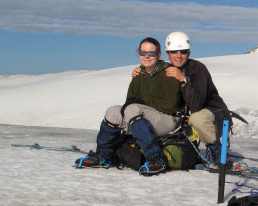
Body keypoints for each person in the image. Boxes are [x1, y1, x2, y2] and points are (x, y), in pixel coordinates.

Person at [75, 37, 181, 175]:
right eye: (143, 53)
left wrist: (141, 102)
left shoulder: (169, 72)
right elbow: (130, 100)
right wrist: (137, 105)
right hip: (143, 118)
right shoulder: (138, 75)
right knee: (113, 111)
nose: (147, 56)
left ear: (159, 54)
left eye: (151, 53)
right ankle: (103, 156)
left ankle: (155, 159)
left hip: (168, 119)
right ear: (139, 54)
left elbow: (170, 106)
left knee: (133, 109)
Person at [133, 31, 229, 164]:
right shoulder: (167, 69)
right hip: (186, 117)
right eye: (174, 52)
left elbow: (196, 106)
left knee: (197, 118)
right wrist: (141, 70)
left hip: (213, 112)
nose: (178, 56)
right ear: (168, 53)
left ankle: (219, 154)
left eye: (183, 51)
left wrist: (183, 80)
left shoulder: (197, 69)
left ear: (188, 53)